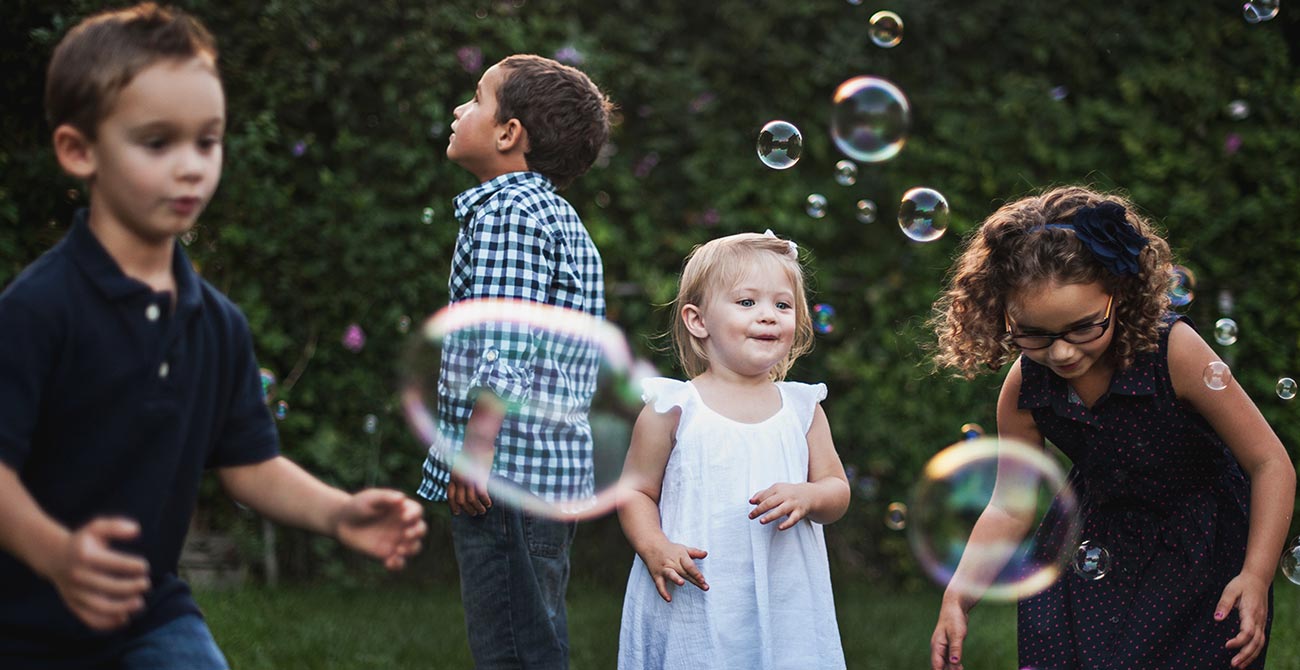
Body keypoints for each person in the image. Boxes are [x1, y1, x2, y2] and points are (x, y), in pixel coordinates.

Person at [0, 5, 427, 668]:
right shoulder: (40, 310)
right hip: (22, 622)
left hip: (150, 616)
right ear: (78, 151)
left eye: (207, 140)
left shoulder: (216, 323)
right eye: (157, 142)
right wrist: (57, 554)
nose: (192, 166)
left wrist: (340, 513)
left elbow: (249, 464)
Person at [926, 186, 1295, 670]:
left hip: (1197, 549)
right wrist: (959, 594)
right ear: (1001, 314)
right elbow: (1009, 506)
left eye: (1083, 327)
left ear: (1119, 295)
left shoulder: (1173, 353)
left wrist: (1256, 573)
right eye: (1033, 333)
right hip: (1090, 547)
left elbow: (1270, 463)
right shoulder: (1024, 388)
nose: (1061, 353)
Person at [416, 54, 613, 668]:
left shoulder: (509, 214)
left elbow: (505, 342)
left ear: (509, 133)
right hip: (542, 470)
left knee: (512, 646)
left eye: (475, 99)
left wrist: (476, 449)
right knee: (536, 630)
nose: (458, 110)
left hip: (505, 469)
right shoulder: (557, 216)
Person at [617, 231, 851, 669]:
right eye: (747, 303)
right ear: (697, 320)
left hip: (787, 596)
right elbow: (635, 492)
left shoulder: (802, 408)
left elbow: (836, 489)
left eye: (782, 305)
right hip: (697, 595)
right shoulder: (674, 407)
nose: (768, 316)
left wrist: (810, 495)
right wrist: (654, 546)